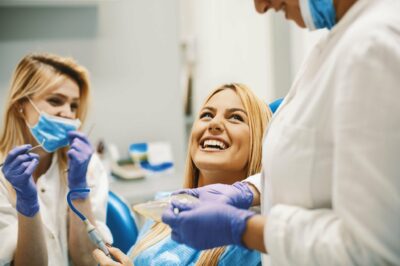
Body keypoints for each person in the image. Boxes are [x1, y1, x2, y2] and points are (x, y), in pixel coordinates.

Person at [162, 0, 400, 265]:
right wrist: (249, 190)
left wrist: (243, 228)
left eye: (236, 117)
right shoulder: (340, 41)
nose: (260, 7)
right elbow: (314, 171)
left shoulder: (376, 46)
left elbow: (374, 251)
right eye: (206, 114)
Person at [92, 83, 272, 265]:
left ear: (259, 141)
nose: (214, 123)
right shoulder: (164, 207)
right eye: (207, 115)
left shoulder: (253, 240)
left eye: (235, 118)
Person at [0, 53, 112, 266]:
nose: (68, 114)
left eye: (73, 106)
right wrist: (27, 205)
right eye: (55, 101)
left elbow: (86, 262)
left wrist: (79, 190)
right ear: (20, 104)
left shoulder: (86, 165)